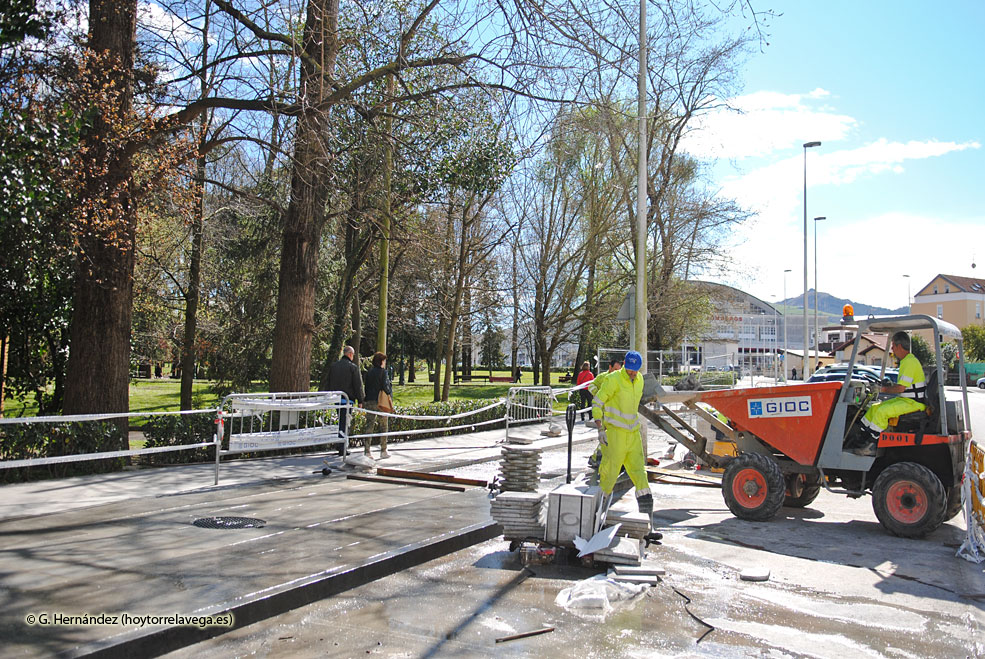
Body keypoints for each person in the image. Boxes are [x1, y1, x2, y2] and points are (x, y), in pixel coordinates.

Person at [592, 351, 653, 515]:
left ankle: (647, 521)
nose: (632, 374)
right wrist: (600, 428)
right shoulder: (613, 380)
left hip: (633, 435)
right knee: (609, 475)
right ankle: (597, 516)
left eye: (635, 370)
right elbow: (597, 403)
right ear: (625, 365)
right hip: (615, 436)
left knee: (640, 474)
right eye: (629, 370)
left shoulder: (639, 380)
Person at [852, 332, 926, 456]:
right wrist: (888, 385)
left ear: (899, 346)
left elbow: (900, 388)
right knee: (875, 407)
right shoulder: (908, 361)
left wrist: (882, 389)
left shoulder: (909, 362)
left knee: (882, 411)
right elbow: (903, 386)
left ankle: (872, 445)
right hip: (907, 400)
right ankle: (861, 439)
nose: (892, 349)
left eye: (893, 346)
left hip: (913, 403)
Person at [327, 346, 365, 455]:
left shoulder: (334, 366)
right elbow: (358, 385)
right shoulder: (353, 367)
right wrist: (361, 400)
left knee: (341, 421)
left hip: (336, 399)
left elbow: (328, 382)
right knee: (346, 423)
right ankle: (342, 446)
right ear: (350, 354)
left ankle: (340, 443)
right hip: (348, 400)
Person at [363, 352, 393, 459]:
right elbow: (385, 387)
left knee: (369, 425)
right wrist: (390, 390)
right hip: (380, 402)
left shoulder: (369, 372)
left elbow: (366, 387)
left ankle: (367, 451)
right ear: (381, 361)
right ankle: (383, 450)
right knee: (383, 426)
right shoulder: (383, 372)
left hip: (370, 401)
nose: (385, 363)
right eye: (384, 361)